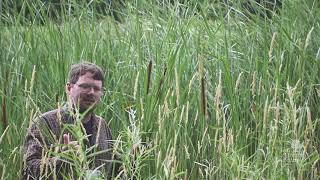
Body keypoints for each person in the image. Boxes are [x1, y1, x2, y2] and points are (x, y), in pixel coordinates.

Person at [22, 62, 119, 179]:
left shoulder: (102, 125)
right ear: (69, 88)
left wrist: (132, 160)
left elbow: (113, 171)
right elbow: (29, 169)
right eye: (85, 86)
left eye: (96, 88)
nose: (91, 92)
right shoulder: (45, 122)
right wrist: (62, 160)